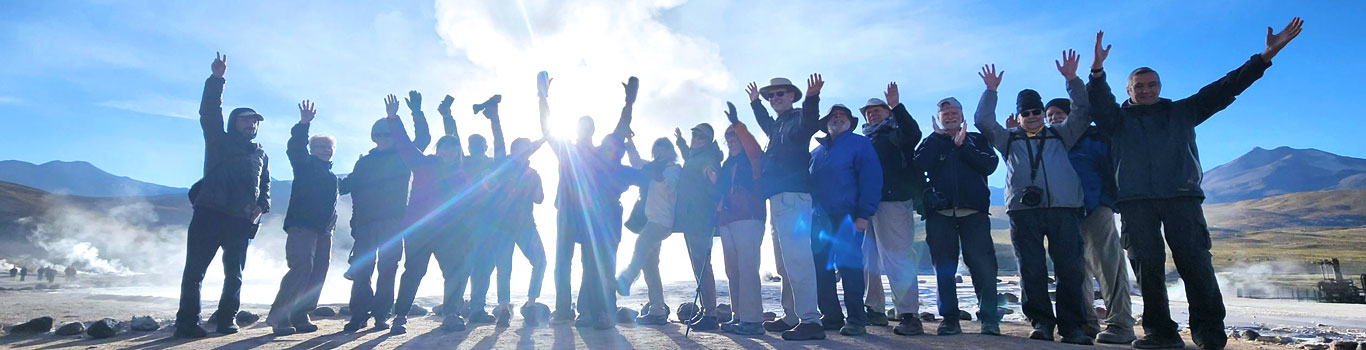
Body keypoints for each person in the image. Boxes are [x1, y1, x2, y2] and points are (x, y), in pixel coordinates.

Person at [1087, 18, 1303, 350]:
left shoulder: (1183, 111)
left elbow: (1225, 87)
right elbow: (1100, 104)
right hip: (1135, 202)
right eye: (1138, 86)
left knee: (1197, 266)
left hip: (1182, 199)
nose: (1146, 90)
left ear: (1159, 87)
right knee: (1148, 271)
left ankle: (1210, 335)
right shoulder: (1116, 121)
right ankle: (1160, 334)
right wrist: (1098, 72)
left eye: (1151, 85)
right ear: (1129, 90)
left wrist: (1264, 57)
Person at [974, 51, 1094, 345]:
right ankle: (1041, 323)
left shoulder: (1061, 134)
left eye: (1035, 112)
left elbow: (1082, 109)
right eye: (1025, 113)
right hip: (1023, 212)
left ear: (1042, 113)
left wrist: (1072, 79)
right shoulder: (1008, 139)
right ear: (1018, 116)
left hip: (1064, 208)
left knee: (1069, 268)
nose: (1031, 117)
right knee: (1031, 268)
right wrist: (991, 91)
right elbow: (983, 120)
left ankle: (1072, 328)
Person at [175, 52, 271, 338]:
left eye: (254, 122)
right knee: (195, 273)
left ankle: (227, 319)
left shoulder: (260, 154)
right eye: (246, 120)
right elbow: (209, 112)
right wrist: (217, 80)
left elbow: (265, 184)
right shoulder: (219, 140)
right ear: (234, 122)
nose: (251, 125)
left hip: (240, 221)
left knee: (235, 275)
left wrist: (262, 205)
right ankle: (186, 323)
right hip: (210, 213)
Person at [541, 71, 638, 328]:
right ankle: (563, 310)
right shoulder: (565, 150)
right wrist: (542, 97)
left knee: (589, 263)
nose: (585, 131)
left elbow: (618, 131)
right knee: (562, 263)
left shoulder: (598, 154)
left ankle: (585, 310)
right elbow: (546, 128)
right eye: (581, 128)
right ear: (576, 130)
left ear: (593, 131)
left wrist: (629, 103)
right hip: (566, 212)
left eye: (588, 128)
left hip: (589, 216)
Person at [1045, 97, 1137, 344]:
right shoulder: (1051, 142)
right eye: (1049, 115)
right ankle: (1086, 323)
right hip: (1065, 213)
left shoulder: (1093, 137)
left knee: (1109, 267)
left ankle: (1121, 324)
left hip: (1096, 208)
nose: (1053, 118)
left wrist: (1107, 202)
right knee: (1076, 272)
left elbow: (1111, 168)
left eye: (1058, 113)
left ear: (1071, 114)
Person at [386, 92, 478, 335]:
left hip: (451, 232)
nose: (448, 152)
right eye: (444, 148)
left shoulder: (462, 173)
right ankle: (401, 316)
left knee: (455, 272)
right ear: (439, 151)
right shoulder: (423, 163)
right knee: (414, 271)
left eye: (453, 148)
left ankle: (451, 313)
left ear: (457, 151)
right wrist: (394, 119)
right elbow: (405, 145)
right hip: (420, 230)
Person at [339, 91, 431, 333]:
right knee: (362, 272)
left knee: (387, 269)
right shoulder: (364, 162)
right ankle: (359, 315)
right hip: (365, 224)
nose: (382, 138)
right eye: (377, 135)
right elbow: (346, 186)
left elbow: (423, 137)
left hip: (393, 223)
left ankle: (381, 315)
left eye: (386, 134)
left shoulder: (403, 158)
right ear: (372, 137)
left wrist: (412, 113)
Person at [746, 75, 826, 341]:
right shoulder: (778, 125)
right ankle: (792, 315)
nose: (775, 98)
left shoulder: (798, 119)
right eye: (771, 96)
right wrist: (756, 103)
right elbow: (765, 122)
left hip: (793, 196)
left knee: (798, 259)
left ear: (792, 96)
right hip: (778, 198)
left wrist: (812, 96)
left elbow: (810, 123)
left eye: (780, 93)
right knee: (784, 262)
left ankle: (811, 321)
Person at [914, 95, 1000, 337]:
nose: (950, 117)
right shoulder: (931, 141)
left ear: (962, 116)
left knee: (983, 266)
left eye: (954, 113)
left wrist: (964, 146)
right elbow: (918, 166)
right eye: (945, 114)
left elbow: (990, 166)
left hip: (974, 212)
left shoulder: (977, 139)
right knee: (944, 268)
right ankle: (950, 319)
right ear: (939, 119)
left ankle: (989, 319)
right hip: (940, 214)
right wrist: (935, 139)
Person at [809, 99, 884, 337]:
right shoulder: (816, 152)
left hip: (848, 215)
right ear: (825, 123)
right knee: (821, 268)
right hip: (819, 218)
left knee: (849, 267)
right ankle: (831, 316)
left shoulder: (860, 144)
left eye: (842, 115)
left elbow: (871, 179)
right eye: (833, 115)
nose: (837, 117)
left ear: (851, 123)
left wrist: (864, 214)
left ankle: (856, 319)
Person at [857, 82, 927, 336]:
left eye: (877, 109)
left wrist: (898, 106)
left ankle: (909, 314)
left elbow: (913, 134)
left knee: (897, 256)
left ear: (888, 112)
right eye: (868, 111)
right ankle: (874, 310)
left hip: (893, 200)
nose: (872, 113)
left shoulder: (897, 134)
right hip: (868, 206)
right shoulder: (866, 139)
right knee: (869, 259)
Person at [266, 100, 339, 336]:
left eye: (328, 147)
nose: (324, 150)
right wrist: (303, 125)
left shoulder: (332, 176)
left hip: (324, 230)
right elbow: (295, 149)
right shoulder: (305, 165)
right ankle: (280, 315)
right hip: (302, 226)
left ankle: (301, 312)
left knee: (318, 270)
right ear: (312, 149)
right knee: (301, 267)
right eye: (319, 147)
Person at [615, 136, 682, 325]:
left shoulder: (674, 170)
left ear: (671, 152)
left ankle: (627, 278)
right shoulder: (652, 168)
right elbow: (636, 163)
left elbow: (669, 186)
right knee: (650, 266)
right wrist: (629, 145)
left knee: (641, 243)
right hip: (650, 221)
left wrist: (657, 175)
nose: (658, 153)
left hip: (662, 221)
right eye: (656, 150)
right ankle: (658, 310)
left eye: (663, 149)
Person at [712, 102, 767, 336]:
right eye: (728, 136)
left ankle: (753, 320)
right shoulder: (727, 164)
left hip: (749, 217)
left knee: (747, 267)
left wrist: (737, 123)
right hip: (728, 220)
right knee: (733, 269)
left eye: (735, 135)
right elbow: (722, 191)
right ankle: (739, 315)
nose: (732, 138)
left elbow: (753, 148)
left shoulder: (752, 159)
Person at [672, 121, 724, 331]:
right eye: (694, 135)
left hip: (700, 219)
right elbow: (688, 156)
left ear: (708, 140)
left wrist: (711, 177)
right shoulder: (694, 156)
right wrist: (680, 142)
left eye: (701, 137)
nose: (696, 139)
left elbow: (709, 172)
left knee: (702, 265)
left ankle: (710, 313)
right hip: (691, 220)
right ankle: (706, 310)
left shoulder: (708, 158)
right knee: (698, 265)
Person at [496, 137, 551, 327]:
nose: (523, 152)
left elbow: (539, 199)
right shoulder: (504, 167)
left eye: (525, 149)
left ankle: (530, 304)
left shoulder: (533, 174)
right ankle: (504, 309)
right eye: (519, 149)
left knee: (540, 261)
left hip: (526, 225)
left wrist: (533, 185)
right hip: (503, 227)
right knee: (504, 268)